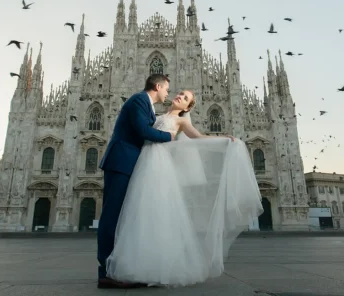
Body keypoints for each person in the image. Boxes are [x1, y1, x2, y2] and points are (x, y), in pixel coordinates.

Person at [105, 89, 264, 287]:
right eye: (180, 93)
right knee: (140, 214)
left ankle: (157, 267)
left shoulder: (182, 121)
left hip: (159, 167)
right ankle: (141, 266)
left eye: (186, 98)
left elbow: (198, 138)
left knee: (159, 214)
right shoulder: (155, 115)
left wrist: (225, 139)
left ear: (187, 108)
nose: (180, 96)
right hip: (143, 164)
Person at [97, 74, 176, 289]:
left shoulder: (146, 105)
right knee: (111, 218)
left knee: (122, 218)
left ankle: (118, 268)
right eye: (167, 88)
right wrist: (170, 137)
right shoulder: (139, 100)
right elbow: (143, 131)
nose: (168, 92)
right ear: (158, 86)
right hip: (121, 162)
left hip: (129, 164)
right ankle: (105, 272)